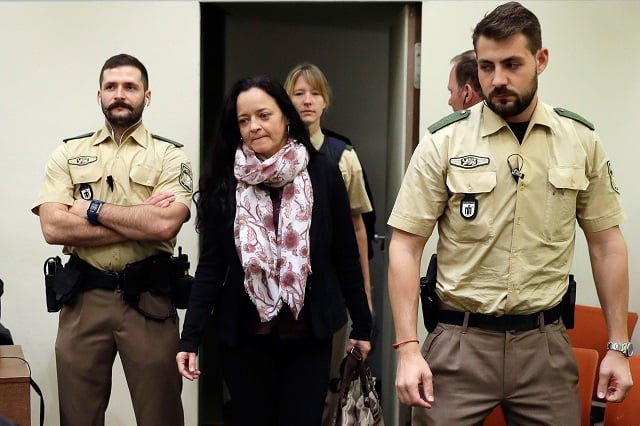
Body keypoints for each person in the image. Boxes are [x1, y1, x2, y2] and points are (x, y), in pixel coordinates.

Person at [387, 2, 632, 425]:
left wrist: (618, 346)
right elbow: (405, 247)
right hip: (458, 346)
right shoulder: (443, 143)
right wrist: (408, 348)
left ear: (541, 60)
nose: (497, 79)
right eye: (486, 66)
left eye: (512, 64)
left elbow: (607, 245)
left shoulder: (580, 141)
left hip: (545, 349)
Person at [176, 76, 372, 425]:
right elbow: (211, 266)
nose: (254, 126)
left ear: (286, 117)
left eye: (263, 115)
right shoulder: (226, 179)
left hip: (308, 336)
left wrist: (363, 326)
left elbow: (344, 254)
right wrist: (188, 339)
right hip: (244, 338)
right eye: (244, 120)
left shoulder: (323, 172)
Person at [32, 53, 192, 426]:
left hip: (150, 301)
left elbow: (165, 225)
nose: (120, 94)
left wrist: (88, 208)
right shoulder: (69, 152)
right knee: (78, 417)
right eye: (112, 87)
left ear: (146, 96)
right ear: (99, 94)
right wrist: (139, 217)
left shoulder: (170, 155)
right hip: (84, 299)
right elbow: (53, 228)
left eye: (130, 87)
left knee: (161, 416)